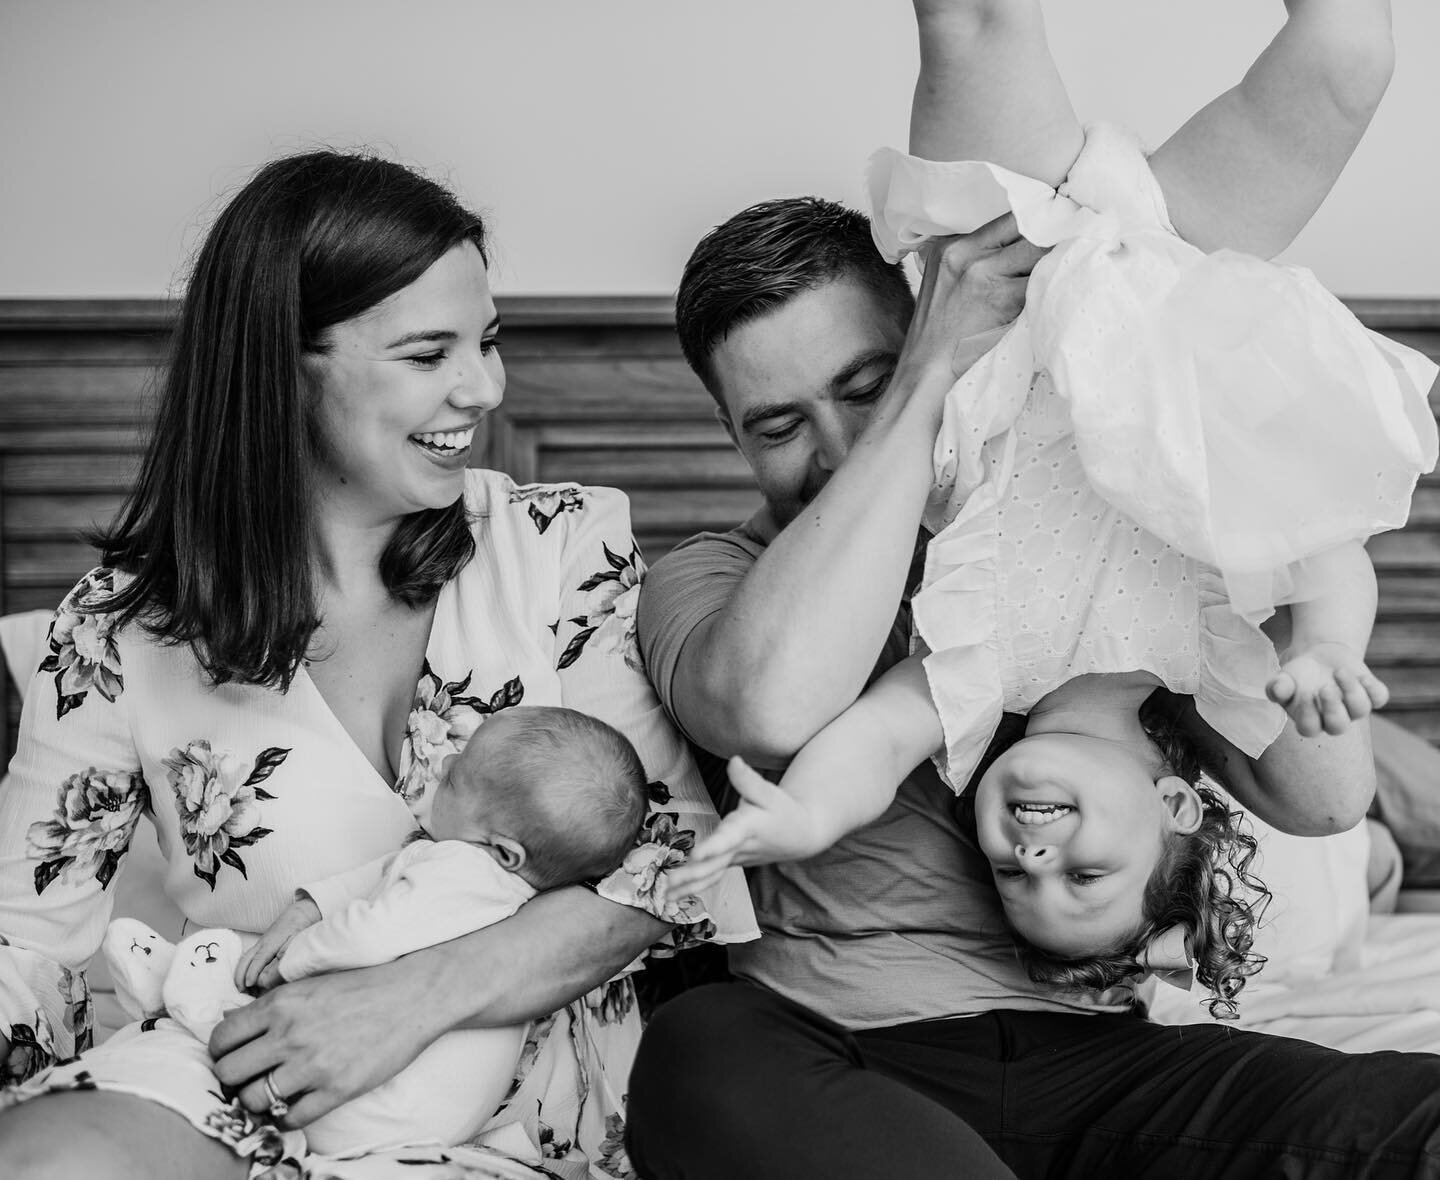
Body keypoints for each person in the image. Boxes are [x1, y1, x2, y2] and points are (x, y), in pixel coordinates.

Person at [627, 2, 1440, 1177]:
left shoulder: (1095, 551)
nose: (842, 448)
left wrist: (1245, 563)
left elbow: (1321, 800)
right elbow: (774, 714)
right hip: (844, 1049)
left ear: (937, 311)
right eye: (777, 425)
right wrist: (919, 388)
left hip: (1104, 1060)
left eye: (866, 383)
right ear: (729, 439)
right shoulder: (711, 577)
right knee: (697, 1042)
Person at [0, 150, 754, 1180]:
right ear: (282, 368)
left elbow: (674, 873)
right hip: (237, 1068)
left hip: (506, 1104)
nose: (483, 387)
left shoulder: (561, 546)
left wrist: (413, 996)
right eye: (427, 351)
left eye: (485, 342)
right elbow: (25, 940)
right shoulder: (119, 627)